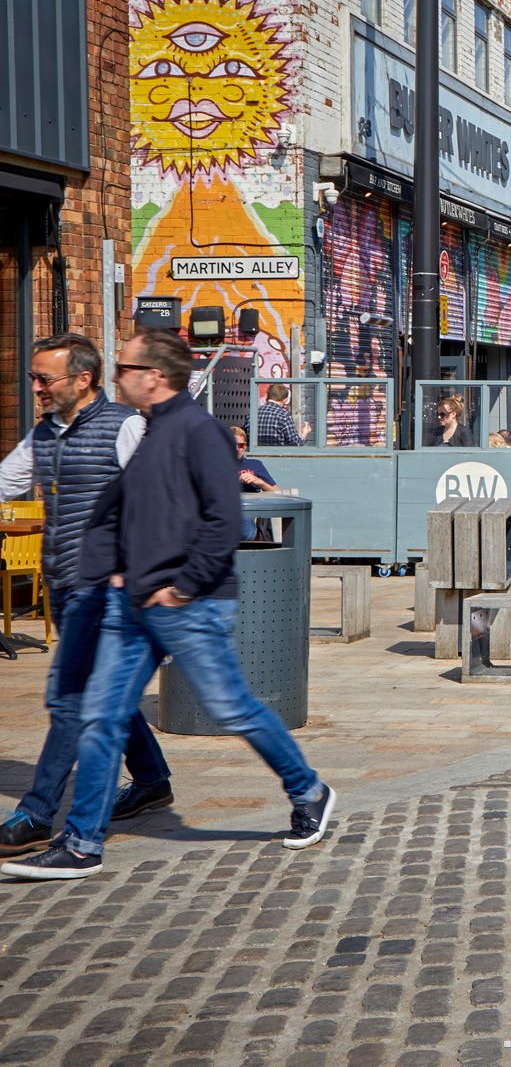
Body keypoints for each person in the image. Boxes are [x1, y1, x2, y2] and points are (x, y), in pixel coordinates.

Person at [5, 331, 338, 880]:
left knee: (232, 708)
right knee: (101, 716)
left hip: (189, 606)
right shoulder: (149, 430)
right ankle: (82, 844)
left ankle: (310, 791)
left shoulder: (199, 433)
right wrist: (114, 567)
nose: (116, 378)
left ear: (153, 376)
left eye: (124, 369)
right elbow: (118, 511)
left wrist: (182, 586)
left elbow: (224, 519)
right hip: (132, 601)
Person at [0, 334, 169, 859]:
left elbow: (160, 500)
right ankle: (152, 779)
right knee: (106, 694)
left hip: (107, 589)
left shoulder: (125, 427)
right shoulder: (44, 433)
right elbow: (5, 481)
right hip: (64, 583)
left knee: (72, 698)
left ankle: (36, 813)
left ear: (83, 379)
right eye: (33, 378)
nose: (36, 388)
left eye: (44, 379)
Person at [231, 426, 279, 542]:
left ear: (245, 446)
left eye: (241, 445)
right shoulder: (217, 466)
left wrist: (258, 481)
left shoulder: (255, 465)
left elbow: (277, 492)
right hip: (224, 510)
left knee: (244, 527)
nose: (237, 449)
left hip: (247, 512)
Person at [256, 382, 309, 447]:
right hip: (276, 453)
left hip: (254, 453)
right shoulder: (284, 416)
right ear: (285, 400)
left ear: (267, 396)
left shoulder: (253, 414)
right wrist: (305, 433)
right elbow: (296, 444)